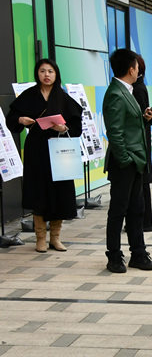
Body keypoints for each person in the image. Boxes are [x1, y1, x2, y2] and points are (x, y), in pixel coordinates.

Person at [6, 59, 83, 252]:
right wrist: (21, 120)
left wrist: (64, 127)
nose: (46, 75)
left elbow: (76, 125)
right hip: (37, 150)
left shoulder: (63, 97)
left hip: (58, 149)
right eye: (42, 71)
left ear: (56, 74)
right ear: (37, 74)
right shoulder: (29, 95)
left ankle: (55, 238)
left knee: (59, 194)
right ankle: (40, 238)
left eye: (50, 71)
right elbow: (12, 119)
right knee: (38, 193)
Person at [102, 48, 152, 274]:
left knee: (136, 209)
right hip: (126, 163)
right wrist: (125, 160)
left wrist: (144, 118)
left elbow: (127, 125)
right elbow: (114, 133)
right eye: (136, 66)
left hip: (135, 161)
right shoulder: (116, 93)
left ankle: (138, 252)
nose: (138, 70)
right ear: (130, 68)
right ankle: (114, 255)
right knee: (119, 210)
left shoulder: (127, 90)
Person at [131, 55, 152, 233]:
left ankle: (145, 222)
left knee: (142, 184)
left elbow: (140, 118)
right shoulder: (136, 87)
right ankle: (144, 222)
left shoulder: (137, 88)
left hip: (140, 141)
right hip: (141, 140)